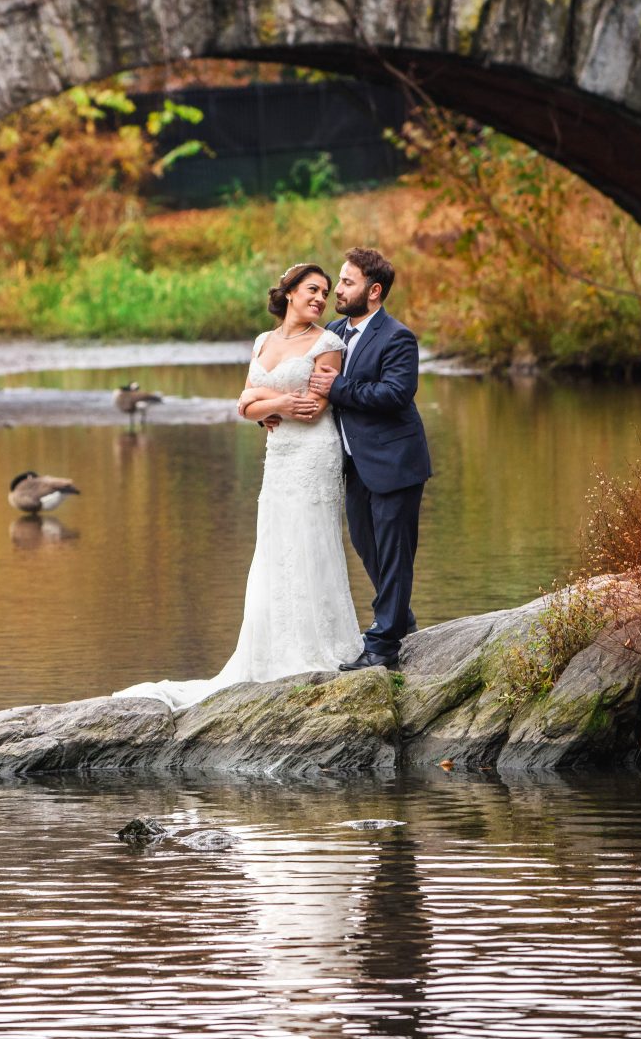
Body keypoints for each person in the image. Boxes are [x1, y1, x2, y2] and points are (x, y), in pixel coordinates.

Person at [115, 262, 362, 709]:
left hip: (311, 453)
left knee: (309, 539)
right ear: (289, 293)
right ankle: (268, 649)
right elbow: (243, 404)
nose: (320, 299)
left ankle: (321, 644)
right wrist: (273, 402)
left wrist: (274, 403)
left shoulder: (329, 343)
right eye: (312, 290)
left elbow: (312, 407)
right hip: (279, 457)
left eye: (325, 293)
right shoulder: (263, 342)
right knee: (273, 543)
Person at [306, 247, 430, 670]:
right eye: (339, 281)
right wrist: (273, 412)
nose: (336, 290)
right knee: (365, 544)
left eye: (346, 282)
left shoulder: (397, 337)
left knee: (395, 552)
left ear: (373, 291)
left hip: (396, 463)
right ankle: (400, 619)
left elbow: (395, 394)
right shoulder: (333, 333)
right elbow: (308, 384)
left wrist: (337, 388)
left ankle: (383, 645)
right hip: (355, 465)